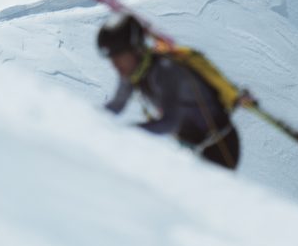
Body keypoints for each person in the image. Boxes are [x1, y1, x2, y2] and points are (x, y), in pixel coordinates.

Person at [97, 13, 240, 170]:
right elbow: (117, 105)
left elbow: (170, 123)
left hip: (220, 148)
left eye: (118, 57)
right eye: (111, 58)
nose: (114, 64)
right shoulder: (133, 72)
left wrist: (125, 132)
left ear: (135, 49)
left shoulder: (166, 70)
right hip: (193, 150)